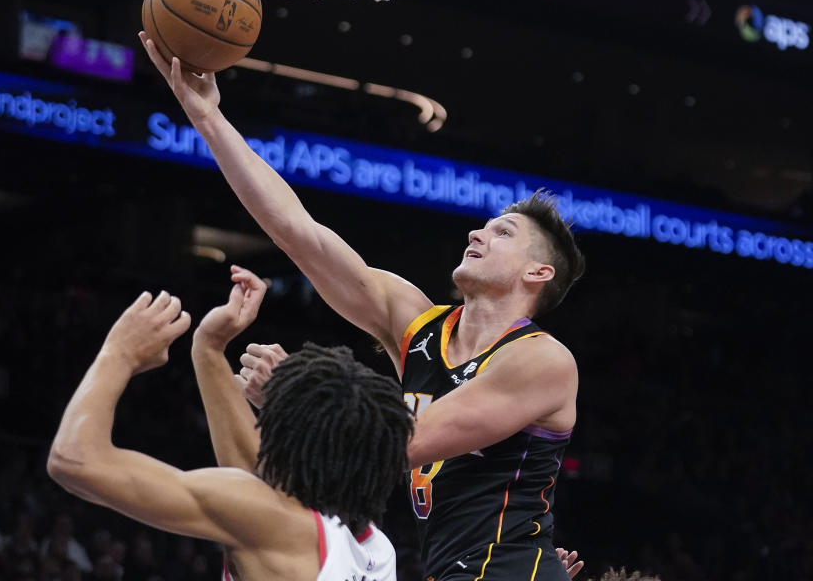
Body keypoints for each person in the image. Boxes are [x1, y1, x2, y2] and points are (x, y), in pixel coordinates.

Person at [139, 34, 587, 581]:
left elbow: (401, 445)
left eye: (503, 232)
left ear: (537, 273)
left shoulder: (542, 360)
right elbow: (299, 234)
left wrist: (295, 397)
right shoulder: (419, 327)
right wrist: (208, 118)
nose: (477, 232)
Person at [47, 267, 414, 581]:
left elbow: (74, 460)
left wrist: (119, 353)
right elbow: (258, 474)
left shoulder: (274, 523)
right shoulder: (375, 550)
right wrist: (209, 348)